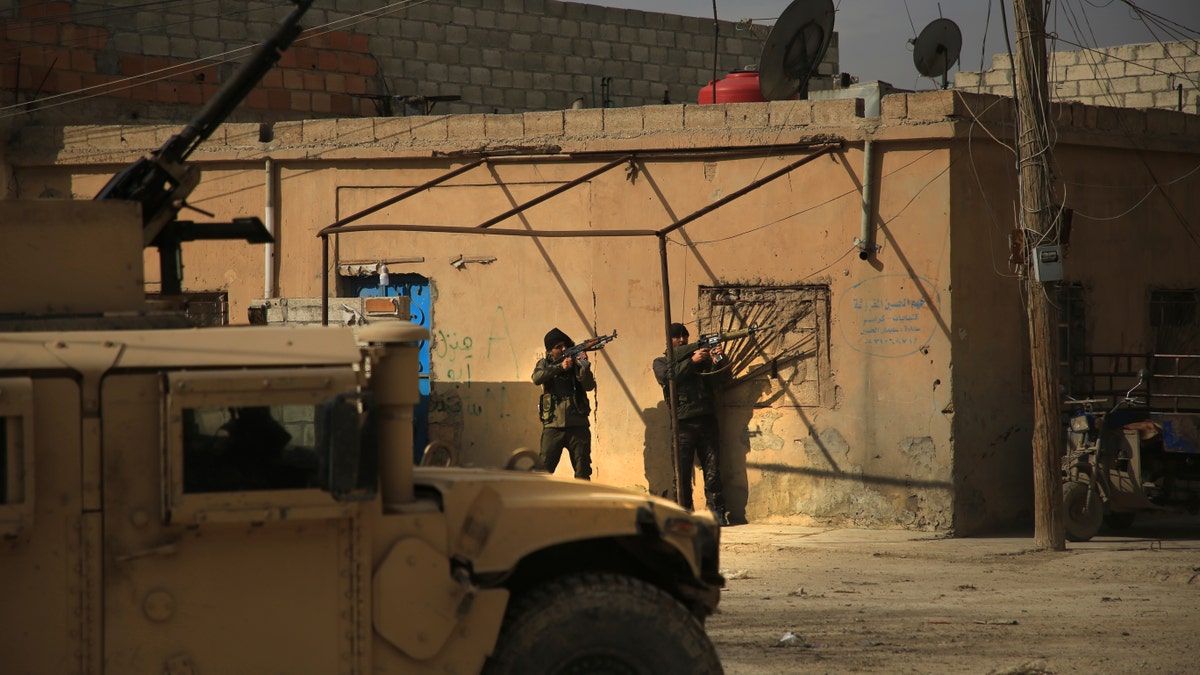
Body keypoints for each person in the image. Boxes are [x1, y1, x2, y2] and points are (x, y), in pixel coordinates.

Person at [653, 322, 729, 524]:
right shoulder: (661, 362)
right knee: (682, 473)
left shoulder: (702, 360)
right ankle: (683, 513)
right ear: (669, 341)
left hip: (707, 420)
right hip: (682, 425)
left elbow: (719, 383)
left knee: (712, 472)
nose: (682, 340)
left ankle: (717, 512)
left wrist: (717, 361)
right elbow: (668, 377)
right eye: (677, 337)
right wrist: (692, 361)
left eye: (684, 336)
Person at [531, 327, 595, 479]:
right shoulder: (544, 363)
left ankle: (582, 503)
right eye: (558, 347)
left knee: (583, 472)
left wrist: (584, 367)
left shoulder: (576, 361)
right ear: (549, 351)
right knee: (544, 471)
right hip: (554, 425)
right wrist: (560, 367)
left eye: (565, 345)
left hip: (578, 424)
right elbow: (536, 378)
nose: (564, 348)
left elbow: (589, 386)